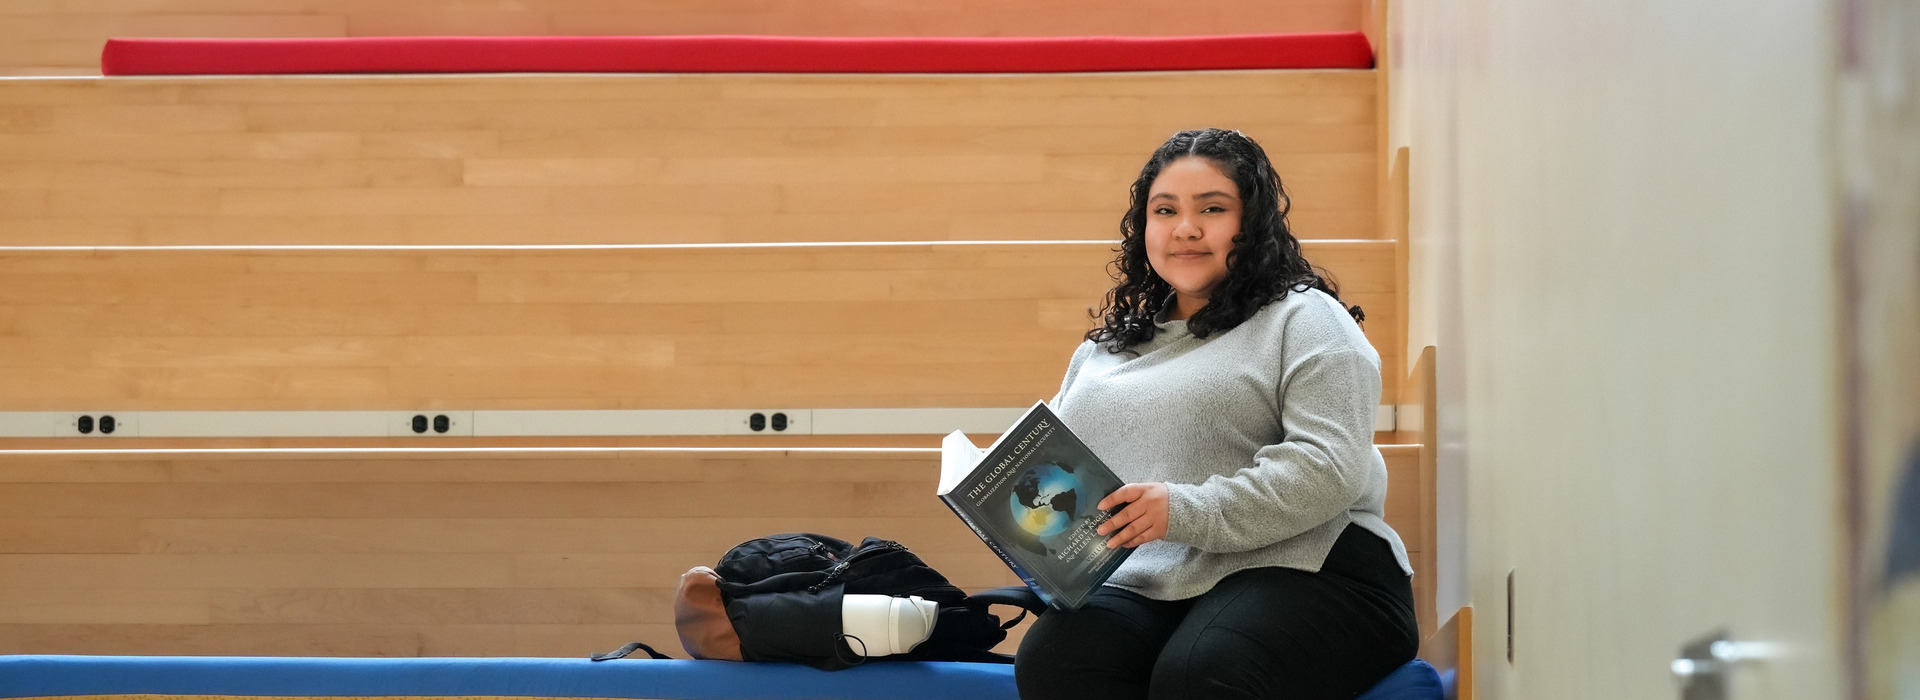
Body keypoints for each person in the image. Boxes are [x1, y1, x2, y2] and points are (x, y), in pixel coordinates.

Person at [1014, 128, 1418, 700]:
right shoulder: (1100, 353)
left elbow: (1329, 467)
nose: (1186, 228)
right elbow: (1067, 481)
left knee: (1202, 670)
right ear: (1144, 228)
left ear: (1252, 223)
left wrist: (1183, 510)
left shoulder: (1306, 320)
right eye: (1165, 210)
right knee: (1056, 657)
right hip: (1150, 580)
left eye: (1213, 208)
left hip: (1314, 566)